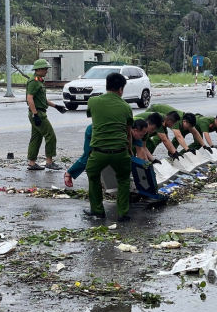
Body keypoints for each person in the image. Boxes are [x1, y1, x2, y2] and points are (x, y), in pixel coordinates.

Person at [84, 73, 133, 222]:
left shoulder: (93, 101)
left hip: (99, 152)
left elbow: (90, 115)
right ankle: (122, 213)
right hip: (120, 151)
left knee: (93, 175)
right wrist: (129, 151)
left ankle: (98, 211)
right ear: (120, 89)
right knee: (124, 179)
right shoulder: (126, 107)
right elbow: (128, 133)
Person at [63, 117, 158, 187]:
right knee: (89, 157)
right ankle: (69, 173)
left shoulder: (138, 135)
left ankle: (103, 179)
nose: (142, 137)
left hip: (109, 137)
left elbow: (141, 155)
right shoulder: (122, 133)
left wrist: (147, 169)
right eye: (141, 135)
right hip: (95, 132)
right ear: (134, 131)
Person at [26, 59, 67, 170]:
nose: (47, 71)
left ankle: (32, 163)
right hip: (38, 113)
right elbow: (30, 99)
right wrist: (35, 114)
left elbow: (42, 99)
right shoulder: (34, 82)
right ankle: (49, 162)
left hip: (37, 112)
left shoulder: (39, 81)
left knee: (36, 137)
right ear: (39, 69)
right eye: (45, 69)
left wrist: (56, 106)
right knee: (50, 136)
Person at [146, 104, 210, 155]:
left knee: (163, 136)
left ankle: (171, 152)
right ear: (184, 121)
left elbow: (195, 133)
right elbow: (178, 136)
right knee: (159, 137)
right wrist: (187, 149)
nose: (189, 128)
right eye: (189, 126)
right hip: (152, 113)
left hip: (164, 119)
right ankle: (148, 156)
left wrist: (204, 146)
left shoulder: (186, 119)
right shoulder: (177, 121)